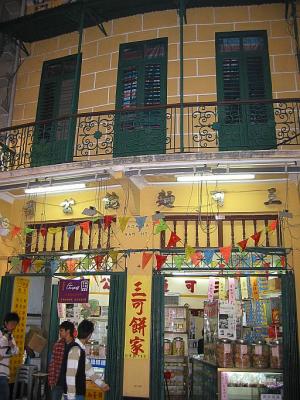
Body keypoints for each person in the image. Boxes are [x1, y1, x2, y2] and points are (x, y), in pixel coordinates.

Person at [63, 319, 110, 400]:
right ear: (89, 335)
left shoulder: (80, 349)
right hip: (74, 395)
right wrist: (71, 397)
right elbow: (70, 375)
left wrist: (102, 385)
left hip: (77, 394)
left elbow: (89, 371)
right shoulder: (75, 349)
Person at [48, 321, 75, 400]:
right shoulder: (58, 345)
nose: (59, 332)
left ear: (68, 331)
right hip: (58, 381)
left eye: (61, 330)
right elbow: (53, 364)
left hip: (70, 383)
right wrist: (51, 380)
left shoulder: (75, 346)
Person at [0, 312, 19, 400]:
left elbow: (16, 351)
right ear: (5, 323)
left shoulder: (11, 337)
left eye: (15, 324)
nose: (13, 327)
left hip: (4, 373)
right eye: (11, 324)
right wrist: (5, 337)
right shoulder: (2, 335)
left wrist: (12, 345)